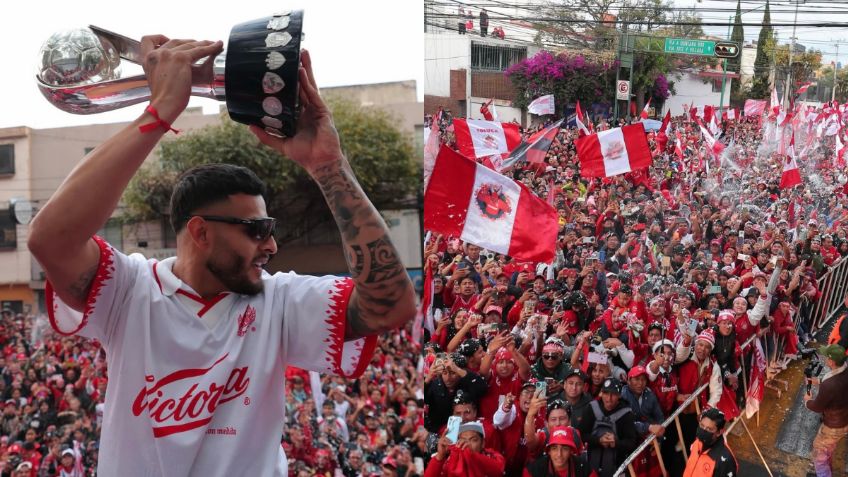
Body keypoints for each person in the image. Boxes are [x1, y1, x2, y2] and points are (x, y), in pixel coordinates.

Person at [26, 37, 416, 476]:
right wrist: (159, 113)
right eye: (256, 230)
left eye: (271, 230)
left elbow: (393, 306)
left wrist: (328, 164)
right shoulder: (127, 291)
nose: (270, 245)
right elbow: (50, 240)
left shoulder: (279, 302)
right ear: (200, 232)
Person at [803, 344, 848, 477]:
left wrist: (807, 400)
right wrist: (819, 381)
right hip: (844, 421)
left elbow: (817, 407)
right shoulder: (845, 371)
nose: (824, 359)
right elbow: (837, 385)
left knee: (819, 456)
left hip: (833, 427)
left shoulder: (830, 385)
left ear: (832, 361)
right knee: (828, 451)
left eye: (826, 357)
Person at [425, 421, 505, 477]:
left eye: (473, 440)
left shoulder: (493, 456)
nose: (467, 444)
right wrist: (440, 456)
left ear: (483, 443)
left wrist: (470, 454)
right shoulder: (450, 459)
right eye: (463, 440)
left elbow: (498, 470)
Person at [682, 408, 737, 477]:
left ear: (719, 432)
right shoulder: (697, 442)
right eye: (702, 425)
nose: (703, 431)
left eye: (709, 429)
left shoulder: (725, 460)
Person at [523, 426, 596, 477]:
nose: (559, 454)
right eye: (554, 448)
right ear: (549, 451)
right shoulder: (534, 470)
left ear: (571, 451)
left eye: (564, 449)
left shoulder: (583, 468)